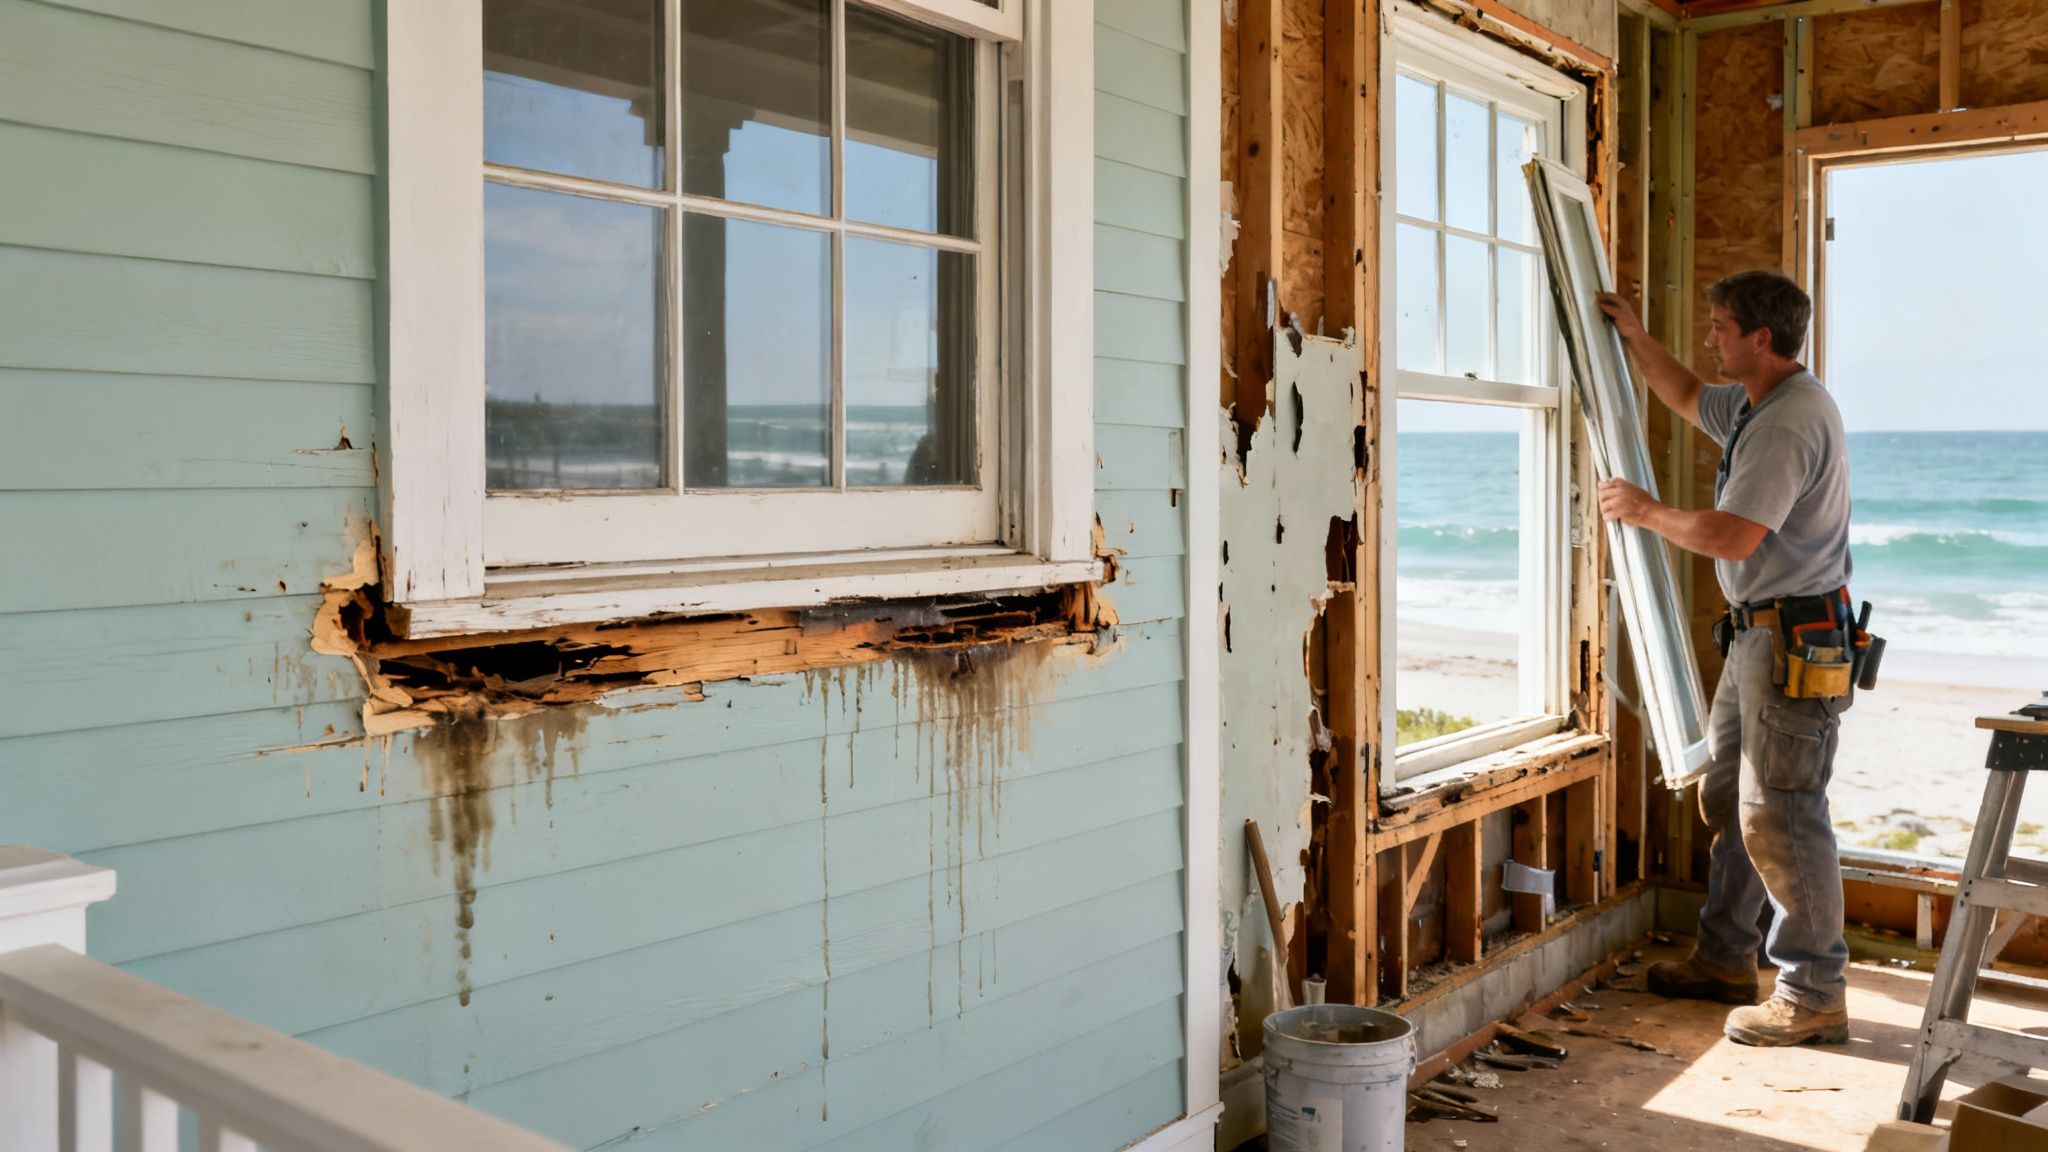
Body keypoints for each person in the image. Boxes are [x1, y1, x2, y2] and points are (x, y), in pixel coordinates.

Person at [1595, 269, 1855, 1047]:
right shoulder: (1754, 403)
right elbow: (1681, 394)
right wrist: (1636, 337)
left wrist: (1643, 511)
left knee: (1780, 813)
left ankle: (1813, 993)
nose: (1709, 339)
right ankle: (1724, 959)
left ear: (1760, 338)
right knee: (1728, 801)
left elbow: (1732, 535)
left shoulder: (1785, 423)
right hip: (1759, 634)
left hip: (1791, 641)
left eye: (1718, 326)